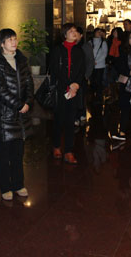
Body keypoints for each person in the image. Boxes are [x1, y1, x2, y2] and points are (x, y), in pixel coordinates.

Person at [0, 28, 34, 200]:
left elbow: (29, 83)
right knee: (4, 154)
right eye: (10, 40)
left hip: (21, 115)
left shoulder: (21, 59)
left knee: (18, 152)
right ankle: (5, 187)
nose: (14, 42)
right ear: (2, 43)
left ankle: (18, 184)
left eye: (15, 39)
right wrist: (18, 104)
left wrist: (28, 102)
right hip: (5, 115)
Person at [49, 23, 86, 164]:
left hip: (74, 91)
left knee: (71, 121)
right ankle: (56, 146)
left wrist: (75, 85)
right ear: (65, 34)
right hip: (61, 90)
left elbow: (82, 70)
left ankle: (69, 151)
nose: (74, 33)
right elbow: (55, 71)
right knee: (58, 120)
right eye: (71, 31)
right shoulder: (57, 50)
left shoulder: (79, 50)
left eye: (75, 30)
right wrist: (69, 85)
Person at [76, 26, 95, 124]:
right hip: (74, 76)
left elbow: (91, 62)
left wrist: (87, 75)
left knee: (81, 96)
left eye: (76, 34)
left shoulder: (86, 46)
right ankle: (76, 115)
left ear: (81, 35)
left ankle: (82, 114)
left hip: (82, 76)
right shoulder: (72, 45)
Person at [90, 28, 108, 101]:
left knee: (99, 81)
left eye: (100, 32)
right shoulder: (90, 42)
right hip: (91, 65)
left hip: (100, 65)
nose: (99, 33)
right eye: (98, 32)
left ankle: (99, 97)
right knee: (93, 81)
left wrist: (96, 61)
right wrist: (91, 61)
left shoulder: (103, 43)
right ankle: (93, 96)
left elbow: (104, 54)